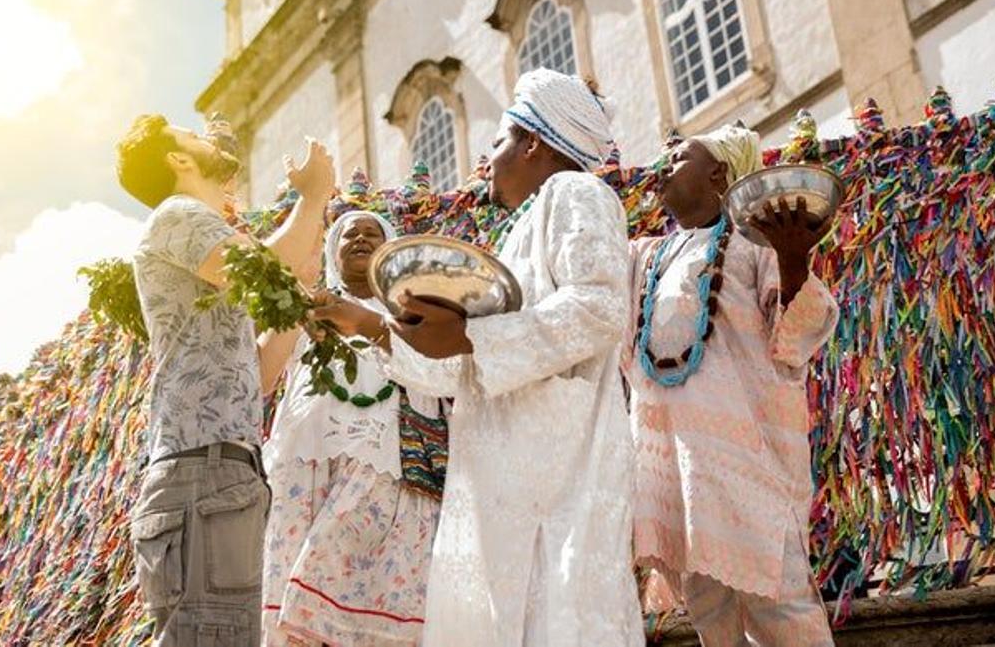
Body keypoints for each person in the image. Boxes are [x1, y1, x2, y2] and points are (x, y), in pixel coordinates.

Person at [322, 68, 644, 646]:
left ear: (533, 143)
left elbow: (598, 308)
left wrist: (472, 338)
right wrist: (369, 323)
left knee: (560, 622)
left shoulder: (577, 193)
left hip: (559, 472)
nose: (487, 159)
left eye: (497, 142)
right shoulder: (518, 234)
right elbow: (457, 370)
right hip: (499, 482)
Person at [116, 113, 335, 646]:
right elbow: (259, 267)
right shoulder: (176, 215)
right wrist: (313, 198)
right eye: (191, 136)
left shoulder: (196, 231)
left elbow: (255, 378)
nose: (205, 138)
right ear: (178, 159)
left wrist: (300, 288)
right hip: (202, 472)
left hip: (222, 475)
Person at [621, 124, 838, 646]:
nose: (664, 164)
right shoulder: (644, 256)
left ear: (718, 173)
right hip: (676, 475)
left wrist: (791, 261)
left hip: (746, 465)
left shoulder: (752, 244)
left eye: (680, 156)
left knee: (784, 614)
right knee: (712, 622)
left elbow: (800, 335)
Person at [260, 210, 444, 646]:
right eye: (349, 235)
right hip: (307, 457)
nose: (360, 239)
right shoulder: (307, 307)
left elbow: (441, 371)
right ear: (331, 251)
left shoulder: (414, 311)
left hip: (392, 462)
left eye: (371, 234)